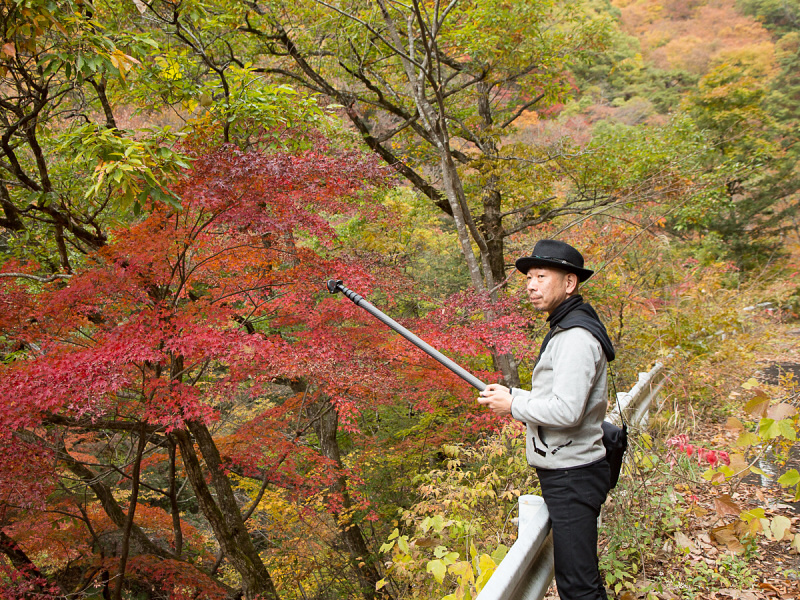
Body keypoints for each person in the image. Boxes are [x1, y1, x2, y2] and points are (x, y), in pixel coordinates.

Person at [477, 239, 615, 600]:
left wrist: (513, 405)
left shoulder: (575, 337)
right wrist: (515, 396)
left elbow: (567, 411)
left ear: (569, 283)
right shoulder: (567, 327)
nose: (531, 285)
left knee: (578, 587)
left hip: (572, 475)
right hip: (570, 471)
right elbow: (560, 399)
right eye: (528, 278)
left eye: (541, 276)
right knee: (578, 580)